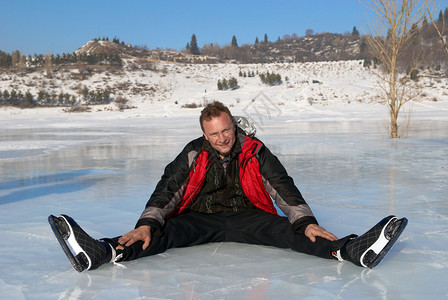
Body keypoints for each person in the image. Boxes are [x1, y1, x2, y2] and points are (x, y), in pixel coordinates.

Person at [48, 101, 407, 272]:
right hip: (201, 219)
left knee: (294, 232)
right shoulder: (193, 152)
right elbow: (168, 188)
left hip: (248, 217)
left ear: (234, 127)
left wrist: (304, 219)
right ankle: (103, 252)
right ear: (204, 133)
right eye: (214, 134)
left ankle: (349, 250)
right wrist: (147, 221)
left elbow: (281, 185)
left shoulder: (254, 149)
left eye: (226, 131)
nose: (221, 139)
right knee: (157, 234)